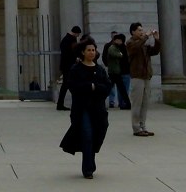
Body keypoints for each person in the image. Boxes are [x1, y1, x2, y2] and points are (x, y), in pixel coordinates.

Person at [59, 38, 111, 179]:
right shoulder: (76, 69)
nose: (91, 52)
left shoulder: (100, 69)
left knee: (95, 135)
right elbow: (74, 87)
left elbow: (107, 87)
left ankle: (90, 161)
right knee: (87, 135)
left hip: (98, 109)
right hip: (82, 109)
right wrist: (91, 86)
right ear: (83, 52)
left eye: (93, 50)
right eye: (88, 50)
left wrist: (95, 87)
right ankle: (88, 169)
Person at [126, 22, 161, 136]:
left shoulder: (144, 45)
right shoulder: (130, 43)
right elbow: (135, 48)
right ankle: (136, 128)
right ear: (133, 32)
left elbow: (155, 51)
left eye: (142, 30)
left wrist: (157, 40)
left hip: (146, 76)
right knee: (137, 103)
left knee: (145, 103)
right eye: (139, 30)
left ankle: (142, 126)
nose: (142, 32)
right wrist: (146, 36)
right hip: (137, 76)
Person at [56, 25, 82, 110]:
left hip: (65, 65)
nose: (78, 36)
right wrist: (76, 58)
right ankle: (61, 104)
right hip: (69, 65)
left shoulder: (65, 39)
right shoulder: (71, 39)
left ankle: (61, 103)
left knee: (68, 84)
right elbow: (71, 52)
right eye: (78, 34)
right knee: (67, 84)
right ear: (76, 33)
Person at [105, 34, 131, 110]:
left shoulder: (120, 47)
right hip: (113, 72)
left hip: (117, 72)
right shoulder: (112, 47)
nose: (117, 41)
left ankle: (127, 104)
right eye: (116, 40)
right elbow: (116, 55)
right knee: (109, 88)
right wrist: (120, 54)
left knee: (122, 89)